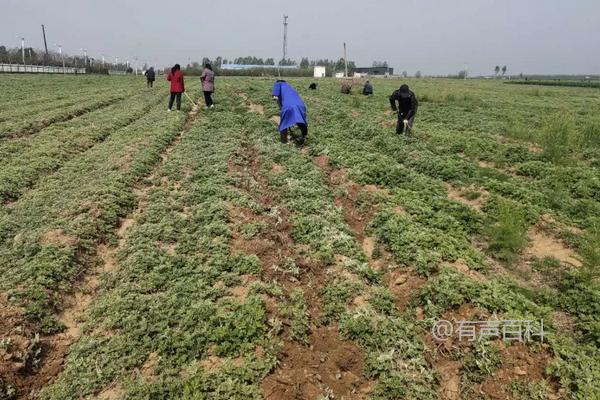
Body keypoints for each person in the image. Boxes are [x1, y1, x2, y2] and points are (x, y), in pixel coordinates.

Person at [272, 80, 308, 145]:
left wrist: (275, 96)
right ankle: (304, 137)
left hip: (289, 106)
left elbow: (275, 96)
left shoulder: (278, 84)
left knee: (284, 123)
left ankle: (284, 142)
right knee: (301, 120)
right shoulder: (289, 86)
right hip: (301, 105)